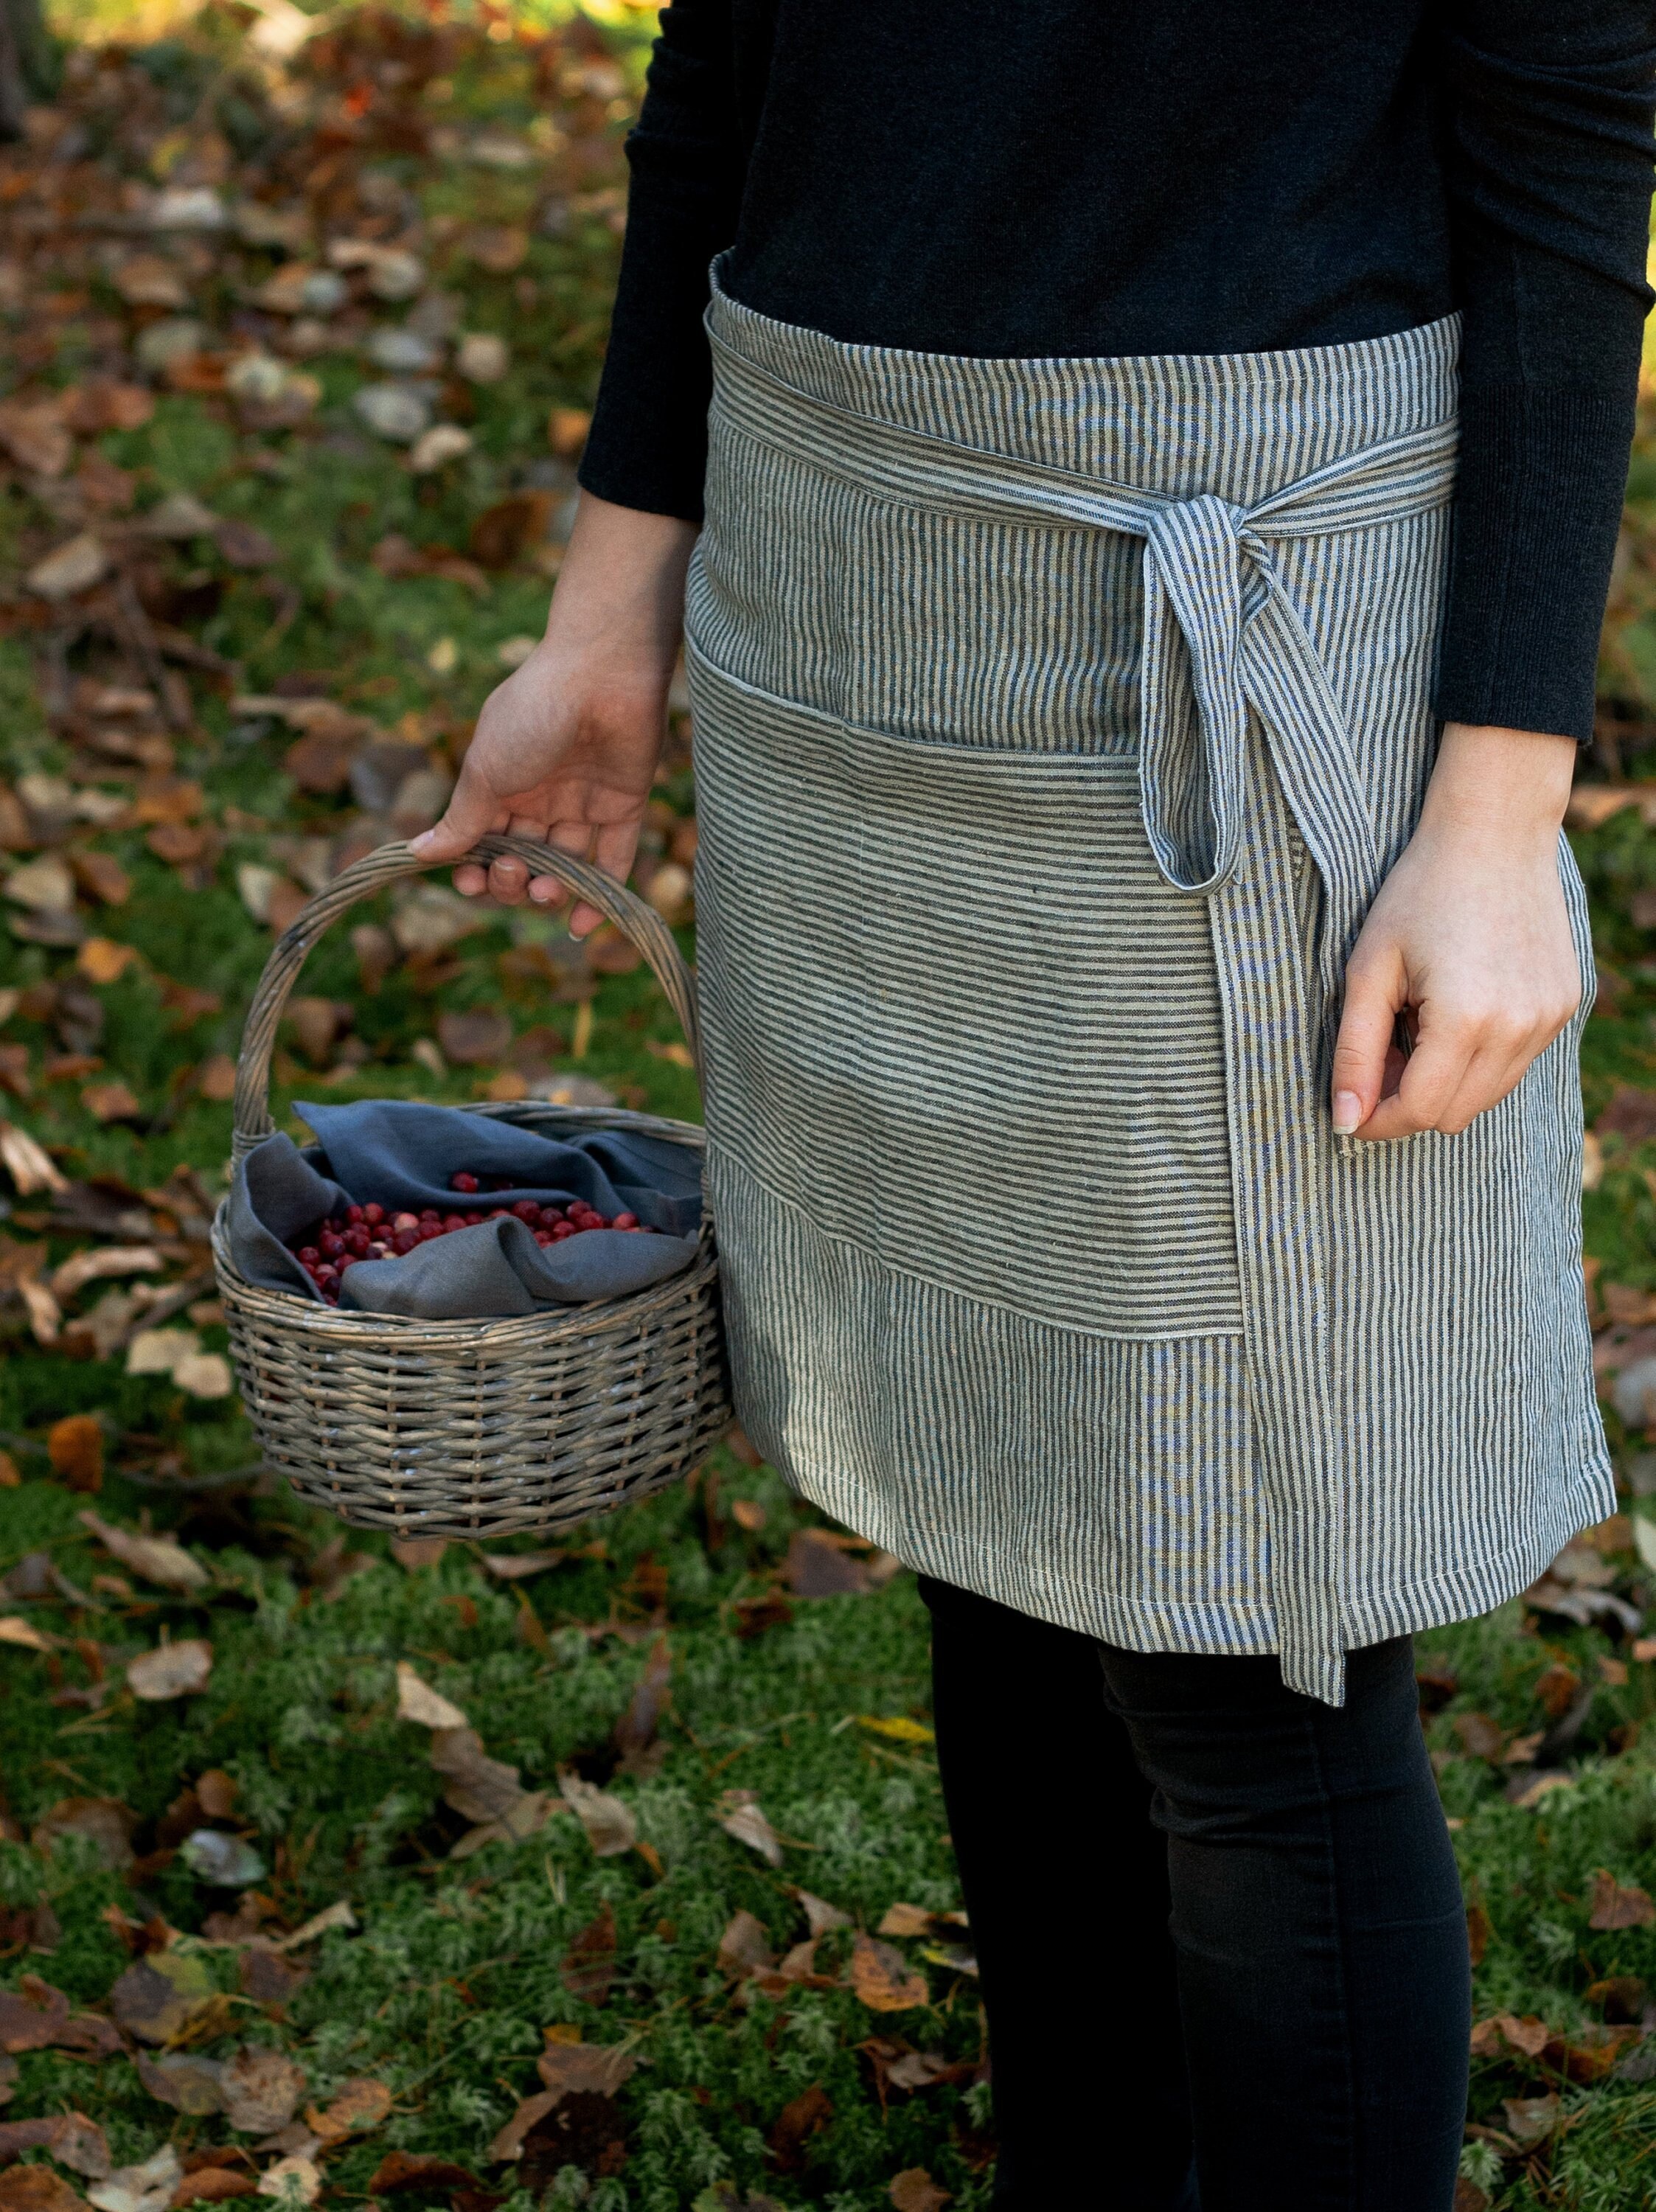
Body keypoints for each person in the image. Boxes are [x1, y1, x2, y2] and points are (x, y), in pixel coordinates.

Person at [412, 7, 1656, 2205]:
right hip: (845, 583)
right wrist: (612, 613)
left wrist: (1497, 802)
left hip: (1239, 603)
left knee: (1241, 1623)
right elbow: (734, 68)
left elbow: (1568, 151)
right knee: (991, 1531)